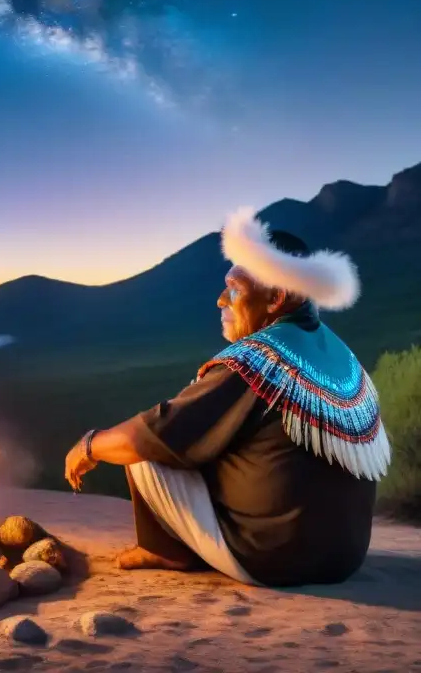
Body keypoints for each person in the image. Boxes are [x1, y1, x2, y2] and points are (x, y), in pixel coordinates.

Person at [64, 207, 390, 587]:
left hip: (274, 559)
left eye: (235, 289)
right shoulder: (345, 361)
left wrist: (88, 446)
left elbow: (153, 433)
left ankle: (165, 551)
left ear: (276, 297)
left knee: (143, 448)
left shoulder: (258, 361)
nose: (222, 300)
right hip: (345, 558)